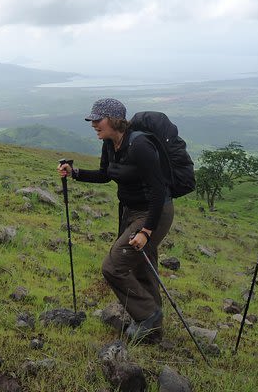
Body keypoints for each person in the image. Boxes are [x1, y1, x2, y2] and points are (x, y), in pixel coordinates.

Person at [57, 98, 173, 342]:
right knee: (141, 265)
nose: (93, 124)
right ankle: (152, 332)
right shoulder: (110, 144)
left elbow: (158, 190)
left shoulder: (140, 145)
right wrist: (75, 172)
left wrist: (146, 231)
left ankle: (148, 316)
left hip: (154, 212)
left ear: (115, 120)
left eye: (98, 119)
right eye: (92, 120)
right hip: (130, 211)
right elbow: (104, 175)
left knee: (113, 266)